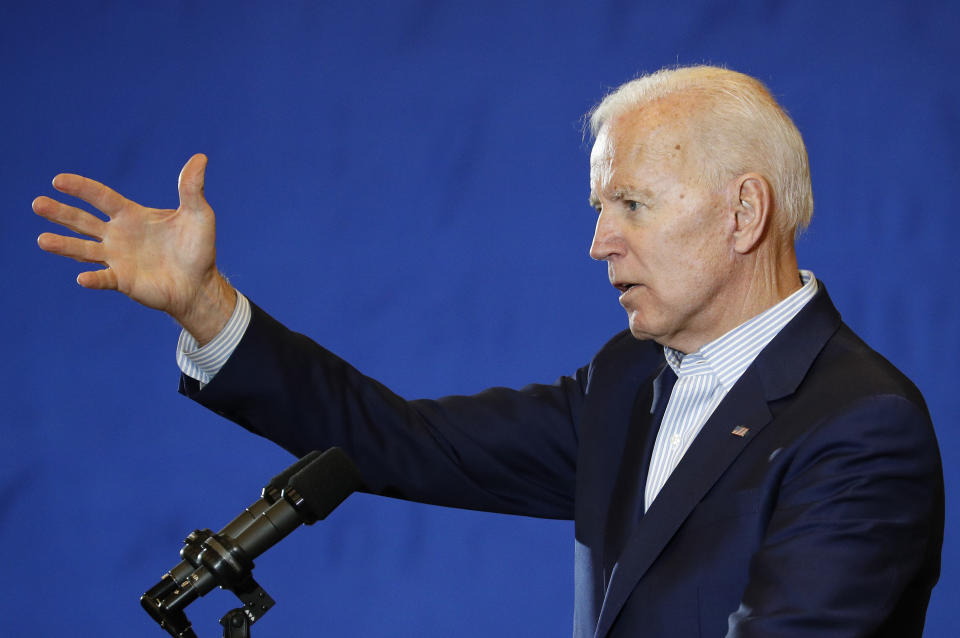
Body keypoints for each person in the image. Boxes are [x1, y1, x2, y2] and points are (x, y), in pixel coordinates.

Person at [34, 66, 943, 637]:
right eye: (598, 209)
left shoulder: (862, 428)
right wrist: (206, 307)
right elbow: (391, 442)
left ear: (745, 212)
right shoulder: (629, 382)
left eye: (631, 204)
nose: (600, 243)